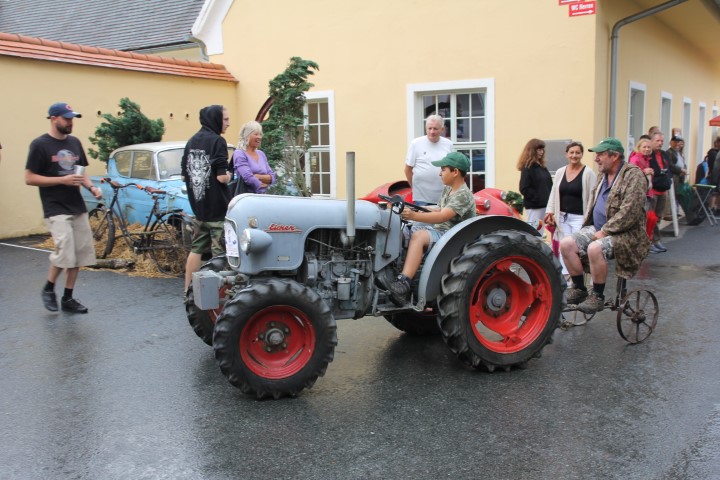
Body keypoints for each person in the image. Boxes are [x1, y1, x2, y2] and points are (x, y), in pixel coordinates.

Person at [25, 102, 103, 314]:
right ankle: (49, 289)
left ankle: (68, 298)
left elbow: (81, 172)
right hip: (55, 206)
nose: (70, 122)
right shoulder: (40, 145)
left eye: (72, 118)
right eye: (67, 118)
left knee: (79, 253)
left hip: (76, 205)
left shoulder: (75, 142)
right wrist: (62, 180)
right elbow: (29, 178)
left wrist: (92, 187)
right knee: (65, 248)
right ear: (53, 118)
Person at [560, 138, 650, 314]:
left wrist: (605, 231)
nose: (596, 158)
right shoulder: (603, 175)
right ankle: (579, 288)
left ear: (615, 156)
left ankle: (598, 297)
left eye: (600, 154)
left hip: (625, 233)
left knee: (595, 248)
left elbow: (629, 211)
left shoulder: (634, 175)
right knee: (566, 244)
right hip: (599, 228)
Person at [378, 152, 476, 305]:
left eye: (443, 169)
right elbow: (438, 209)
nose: (439, 173)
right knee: (403, 230)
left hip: (452, 237)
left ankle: (403, 283)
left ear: (455, 172)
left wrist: (414, 216)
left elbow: (443, 216)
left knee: (419, 236)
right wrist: (413, 210)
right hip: (442, 231)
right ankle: (391, 271)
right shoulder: (448, 189)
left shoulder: (463, 195)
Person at [181, 105, 231, 294]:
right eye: (225, 119)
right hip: (218, 209)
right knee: (220, 255)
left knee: (196, 250)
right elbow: (221, 177)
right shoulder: (218, 141)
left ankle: (188, 292)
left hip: (199, 209)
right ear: (215, 120)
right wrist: (229, 174)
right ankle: (220, 296)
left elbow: (185, 176)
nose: (228, 123)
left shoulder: (191, 141)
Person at [544, 142, 597, 275]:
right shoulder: (561, 172)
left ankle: (579, 280)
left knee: (578, 248)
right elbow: (554, 193)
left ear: (581, 154)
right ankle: (566, 279)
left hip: (579, 217)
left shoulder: (588, 173)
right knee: (563, 248)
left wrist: (591, 219)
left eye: (577, 152)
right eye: (571, 152)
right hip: (562, 216)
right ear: (566, 154)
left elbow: (593, 197)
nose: (574, 155)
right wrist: (550, 211)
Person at [404, 114, 453, 205]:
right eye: (429, 128)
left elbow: (452, 168)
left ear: (442, 130)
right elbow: (407, 169)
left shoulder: (448, 144)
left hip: (443, 196)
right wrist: (414, 186)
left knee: (443, 219)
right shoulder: (416, 144)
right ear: (425, 129)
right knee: (421, 219)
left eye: (435, 129)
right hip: (421, 198)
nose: (432, 131)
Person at [647, 132, 677, 253]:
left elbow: (669, 169)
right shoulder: (649, 155)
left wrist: (667, 177)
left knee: (658, 218)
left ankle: (656, 240)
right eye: (657, 141)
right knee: (651, 218)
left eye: (661, 141)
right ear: (652, 141)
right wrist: (660, 175)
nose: (660, 143)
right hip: (653, 191)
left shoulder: (664, 154)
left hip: (663, 190)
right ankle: (652, 241)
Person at [517, 138, 553, 234]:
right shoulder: (528, 167)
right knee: (534, 232)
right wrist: (537, 198)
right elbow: (524, 188)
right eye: (539, 150)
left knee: (540, 232)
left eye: (542, 149)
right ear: (532, 151)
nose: (541, 152)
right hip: (535, 207)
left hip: (544, 205)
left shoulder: (542, 167)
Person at [232, 121, 275, 194]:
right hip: (247, 198)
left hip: (263, 197)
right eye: (256, 134)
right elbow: (248, 178)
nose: (259, 137)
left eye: (260, 134)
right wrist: (262, 185)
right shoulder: (239, 153)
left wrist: (257, 176)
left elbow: (272, 177)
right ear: (247, 136)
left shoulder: (261, 154)